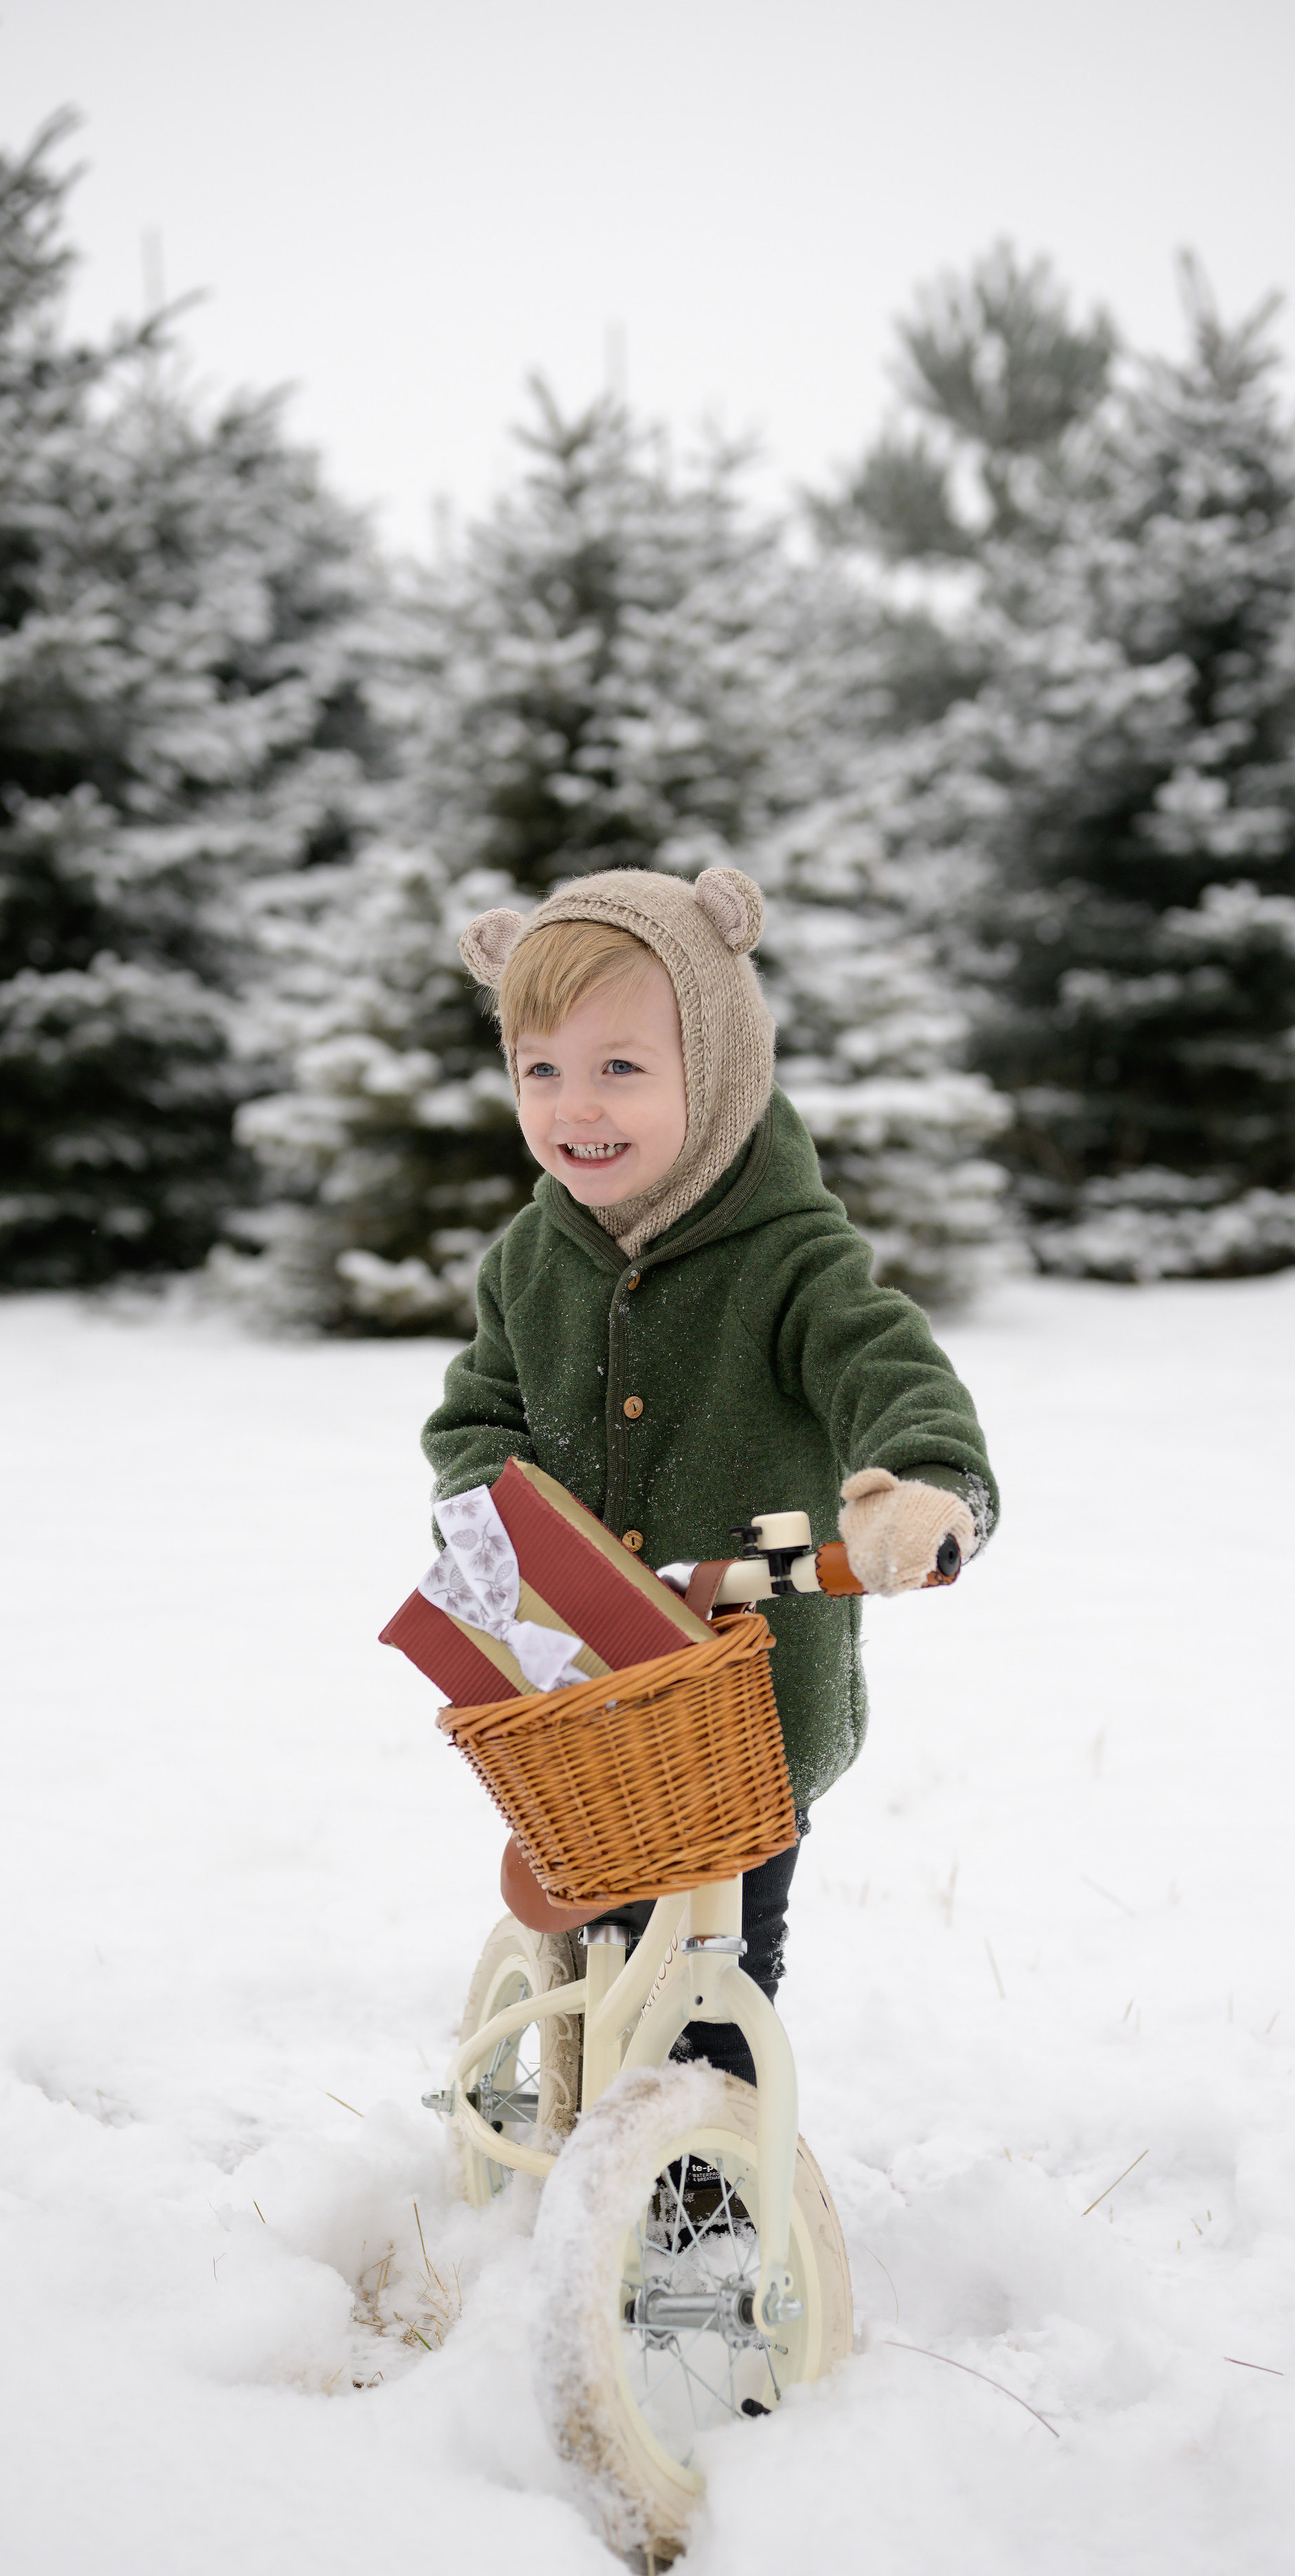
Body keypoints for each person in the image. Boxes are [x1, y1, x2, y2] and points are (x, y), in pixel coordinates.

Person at [421, 864, 997, 2080]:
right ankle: (580, 2094)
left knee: (716, 1965)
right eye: (542, 1070)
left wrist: (925, 1477)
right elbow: (479, 1412)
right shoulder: (530, 1257)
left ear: (719, 1066)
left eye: (620, 1067)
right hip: (576, 1687)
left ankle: (703, 2182)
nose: (576, 1105)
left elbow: (883, 1363)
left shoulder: (791, 1257)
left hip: (748, 1705)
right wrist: (492, 1514)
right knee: (596, 1930)